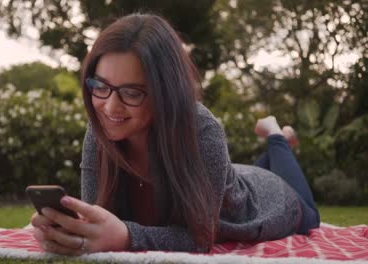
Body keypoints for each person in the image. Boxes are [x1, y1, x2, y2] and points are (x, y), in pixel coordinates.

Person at [30, 13, 320, 255]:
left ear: (165, 92)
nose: (110, 106)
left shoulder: (202, 130)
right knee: (237, 178)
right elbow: (100, 219)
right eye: (100, 86)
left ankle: (275, 136)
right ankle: (271, 146)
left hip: (266, 202)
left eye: (131, 92)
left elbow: (199, 240)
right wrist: (73, 230)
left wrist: (127, 237)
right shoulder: (99, 132)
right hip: (230, 179)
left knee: (310, 214)